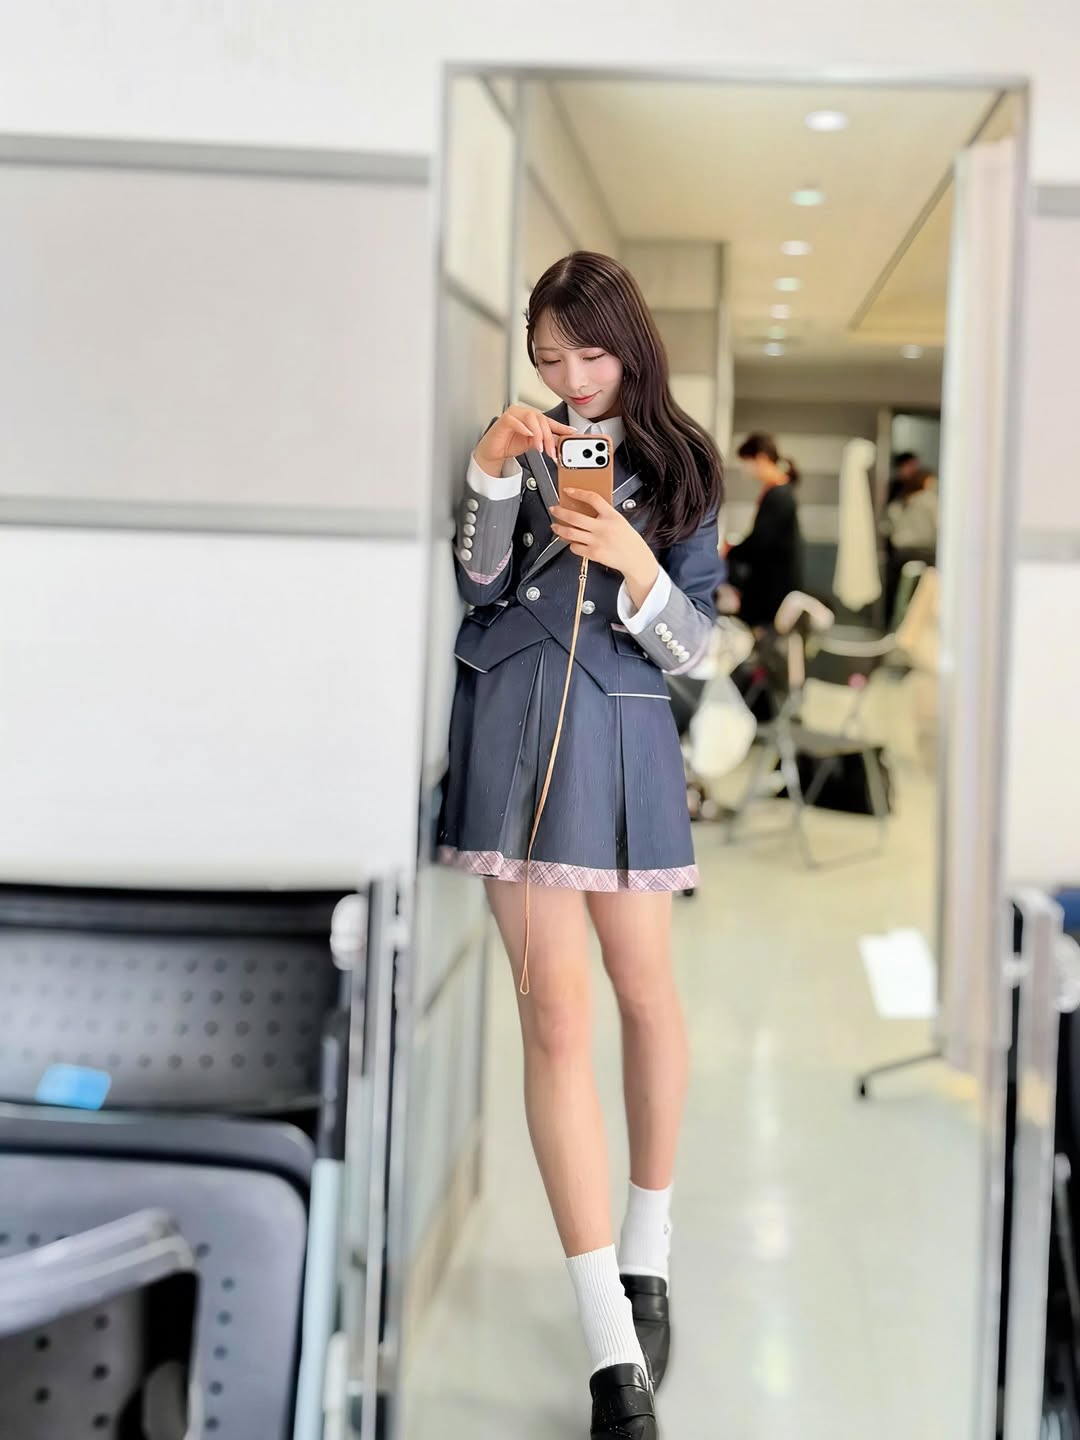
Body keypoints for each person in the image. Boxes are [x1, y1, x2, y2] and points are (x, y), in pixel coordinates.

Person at [438, 251, 724, 1440]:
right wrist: (490, 470)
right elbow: (479, 586)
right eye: (550, 359)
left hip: (623, 742)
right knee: (554, 1020)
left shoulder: (685, 466)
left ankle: (650, 1250)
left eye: (590, 353)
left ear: (631, 343)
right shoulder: (525, 445)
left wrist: (636, 564)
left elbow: (699, 647)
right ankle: (612, 1347)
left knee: (644, 993)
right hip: (514, 741)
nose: (572, 379)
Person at [725, 433, 804, 630]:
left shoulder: (780, 495)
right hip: (774, 580)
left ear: (760, 458)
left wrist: (732, 552)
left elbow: (761, 540)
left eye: (746, 463)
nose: (744, 469)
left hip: (773, 586)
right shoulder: (779, 491)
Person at [881, 463, 938, 622]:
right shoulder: (930, 501)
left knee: (899, 592)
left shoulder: (901, 501)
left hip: (901, 552)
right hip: (924, 552)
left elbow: (888, 525)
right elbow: (938, 525)